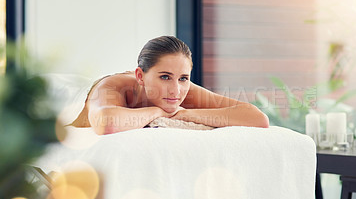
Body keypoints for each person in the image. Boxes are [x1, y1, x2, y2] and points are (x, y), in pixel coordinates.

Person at [72, 36, 269, 135]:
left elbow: (257, 119)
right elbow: (107, 123)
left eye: (183, 78)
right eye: (165, 77)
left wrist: (185, 114)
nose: (176, 90)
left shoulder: (183, 89)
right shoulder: (112, 87)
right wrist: (158, 111)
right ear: (140, 76)